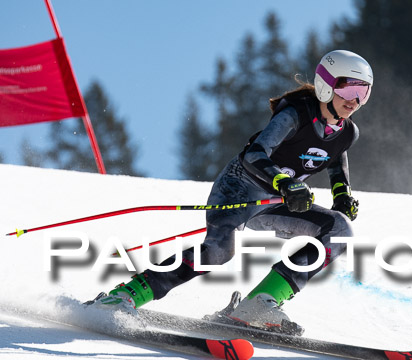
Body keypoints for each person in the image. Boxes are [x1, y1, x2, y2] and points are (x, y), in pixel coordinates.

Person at [92, 50, 373, 335]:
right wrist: (285, 183)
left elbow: (336, 158)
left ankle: (258, 305)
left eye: (363, 92)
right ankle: (124, 296)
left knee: (340, 230)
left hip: (273, 203)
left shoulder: (347, 132)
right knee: (218, 251)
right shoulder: (295, 115)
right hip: (238, 188)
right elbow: (255, 154)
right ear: (326, 84)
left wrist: (342, 196)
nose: (354, 99)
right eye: (348, 87)